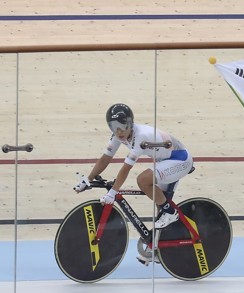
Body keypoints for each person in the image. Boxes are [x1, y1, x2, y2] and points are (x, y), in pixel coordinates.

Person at [73, 103, 193, 265]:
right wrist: (88, 179)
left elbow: (126, 168)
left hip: (179, 160)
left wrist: (112, 193)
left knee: (143, 181)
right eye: (114, 127)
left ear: (130, 123)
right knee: (161, 204)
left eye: (122, 126)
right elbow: (105, 158)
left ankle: (171, 213)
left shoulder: (140, 136)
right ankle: (159, 250)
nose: (119, 132)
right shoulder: (118, 135)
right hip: (165, 160)